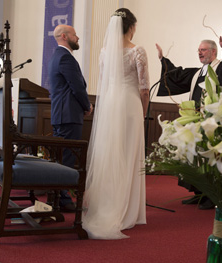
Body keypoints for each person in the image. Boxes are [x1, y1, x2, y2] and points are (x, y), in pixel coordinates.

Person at [82, 8, 149, 239]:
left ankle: (106, 205)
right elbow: (144, 88)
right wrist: (144, 113)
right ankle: (129, 210)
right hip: (130, 105)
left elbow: (103, 83)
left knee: (110, 154)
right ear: (131, 27)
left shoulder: (104, 52)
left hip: (109, 103)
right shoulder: (137, 50)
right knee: (129, 154)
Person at [155, 30, 222, 210]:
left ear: (213, 52)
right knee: (195, 156)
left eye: (203, 50)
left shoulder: (221, 68)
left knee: (209, 157)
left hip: (214, 122)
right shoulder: (198, 72)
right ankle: (200, 193)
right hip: (196, 119)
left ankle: (213, 195)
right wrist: (164, 60)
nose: (200, 53)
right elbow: (177, 75)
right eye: (199, 50)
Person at [48, 24, 93, 212]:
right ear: (65, 36)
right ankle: (63, 199)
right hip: (68, 115)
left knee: (61, 158)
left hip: (61, 114)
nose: (78, 38)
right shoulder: (65, 57)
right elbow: (77, 86)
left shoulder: (56, 56)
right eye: (75, 35)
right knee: (66, 159)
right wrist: (87, 105)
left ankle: (56, 195)